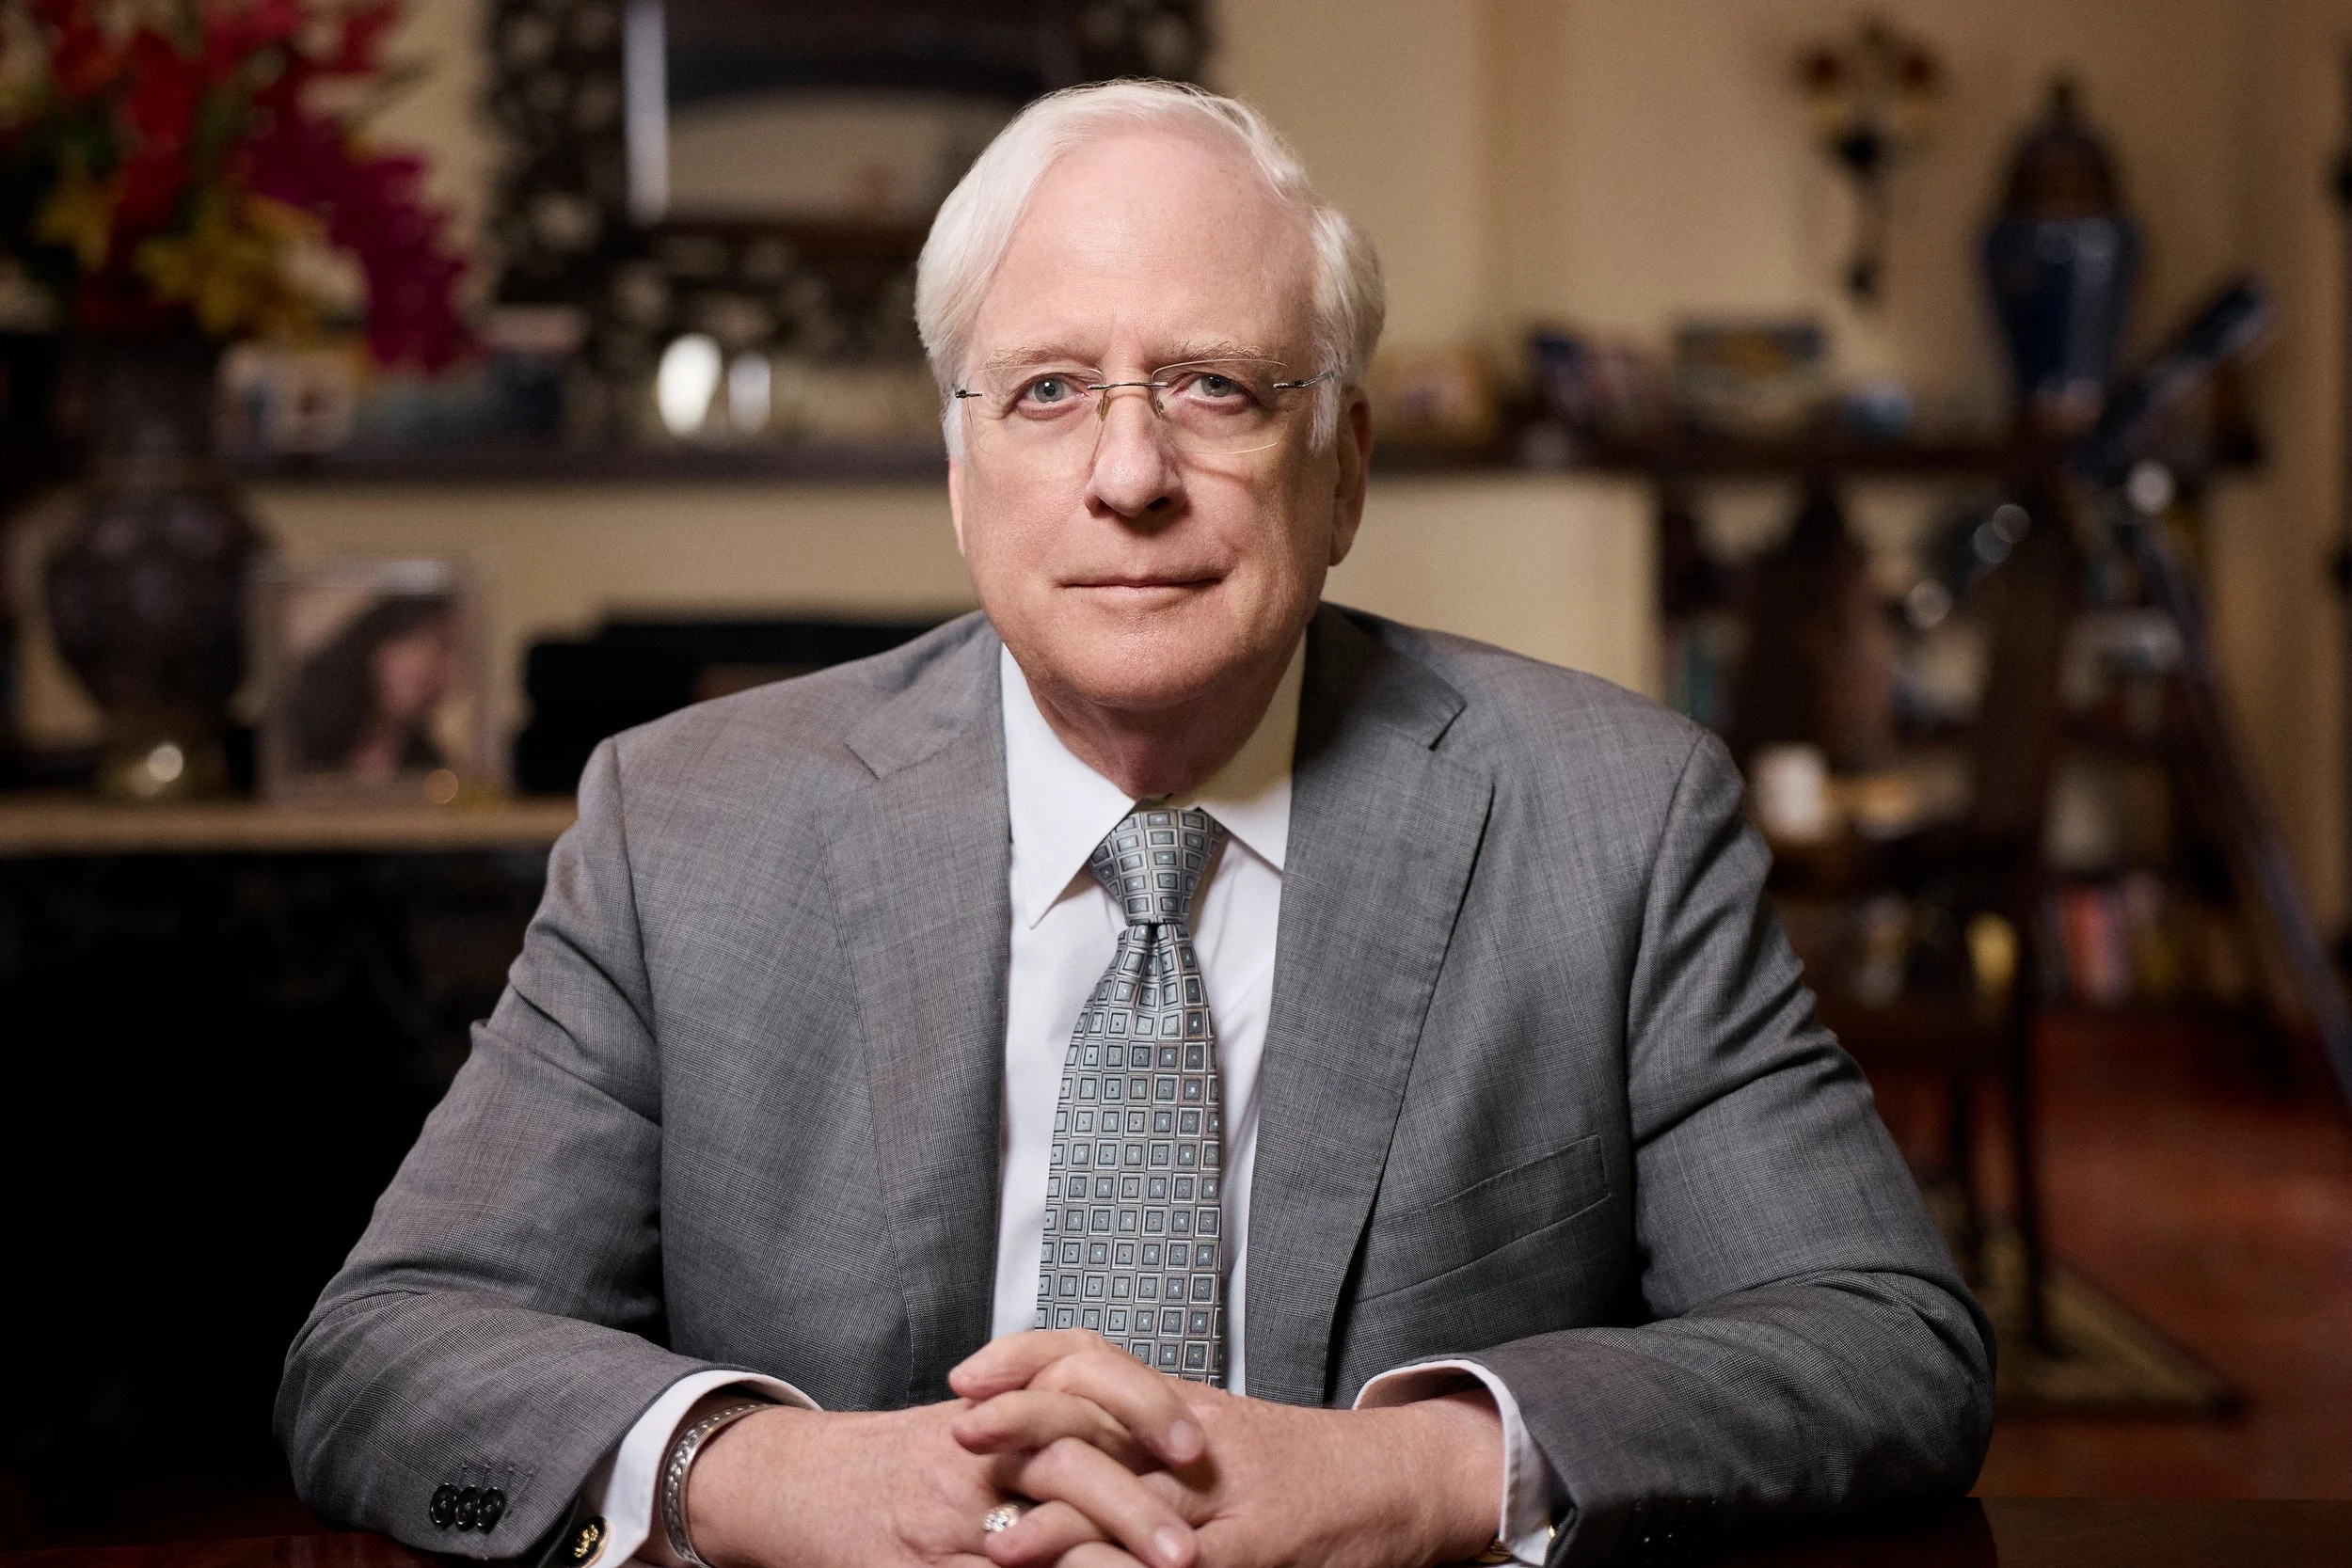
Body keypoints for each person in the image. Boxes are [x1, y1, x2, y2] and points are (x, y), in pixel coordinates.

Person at [278, 81, 1991, 1568]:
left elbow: (1880, 1339)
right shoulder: (686, 830)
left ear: (1347, 471)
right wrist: (766, 1476)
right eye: (1045, 392)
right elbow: (389, 1346)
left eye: (1216, 388)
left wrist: (1415, 1474)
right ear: (962, 479)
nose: (1127, 474)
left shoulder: (1608, 818)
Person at [283, 593, 459, 784]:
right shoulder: (296, 739)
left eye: (444, 647)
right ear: (375, 643)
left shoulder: (428, 763)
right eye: (412, 639)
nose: (426, 662)